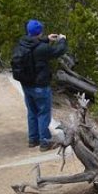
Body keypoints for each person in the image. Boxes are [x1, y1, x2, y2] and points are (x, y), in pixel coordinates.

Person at [15, 19, 67, 151]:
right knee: (43, 113)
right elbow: (59, 51)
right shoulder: (42, 49)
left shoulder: (23, 42)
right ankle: (45, 142)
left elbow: (34, 43)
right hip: (40, 86)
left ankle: (33, 139)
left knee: (32, 112)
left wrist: (46, 39)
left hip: (26, 84)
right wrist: (62, 40)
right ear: (40, 32)